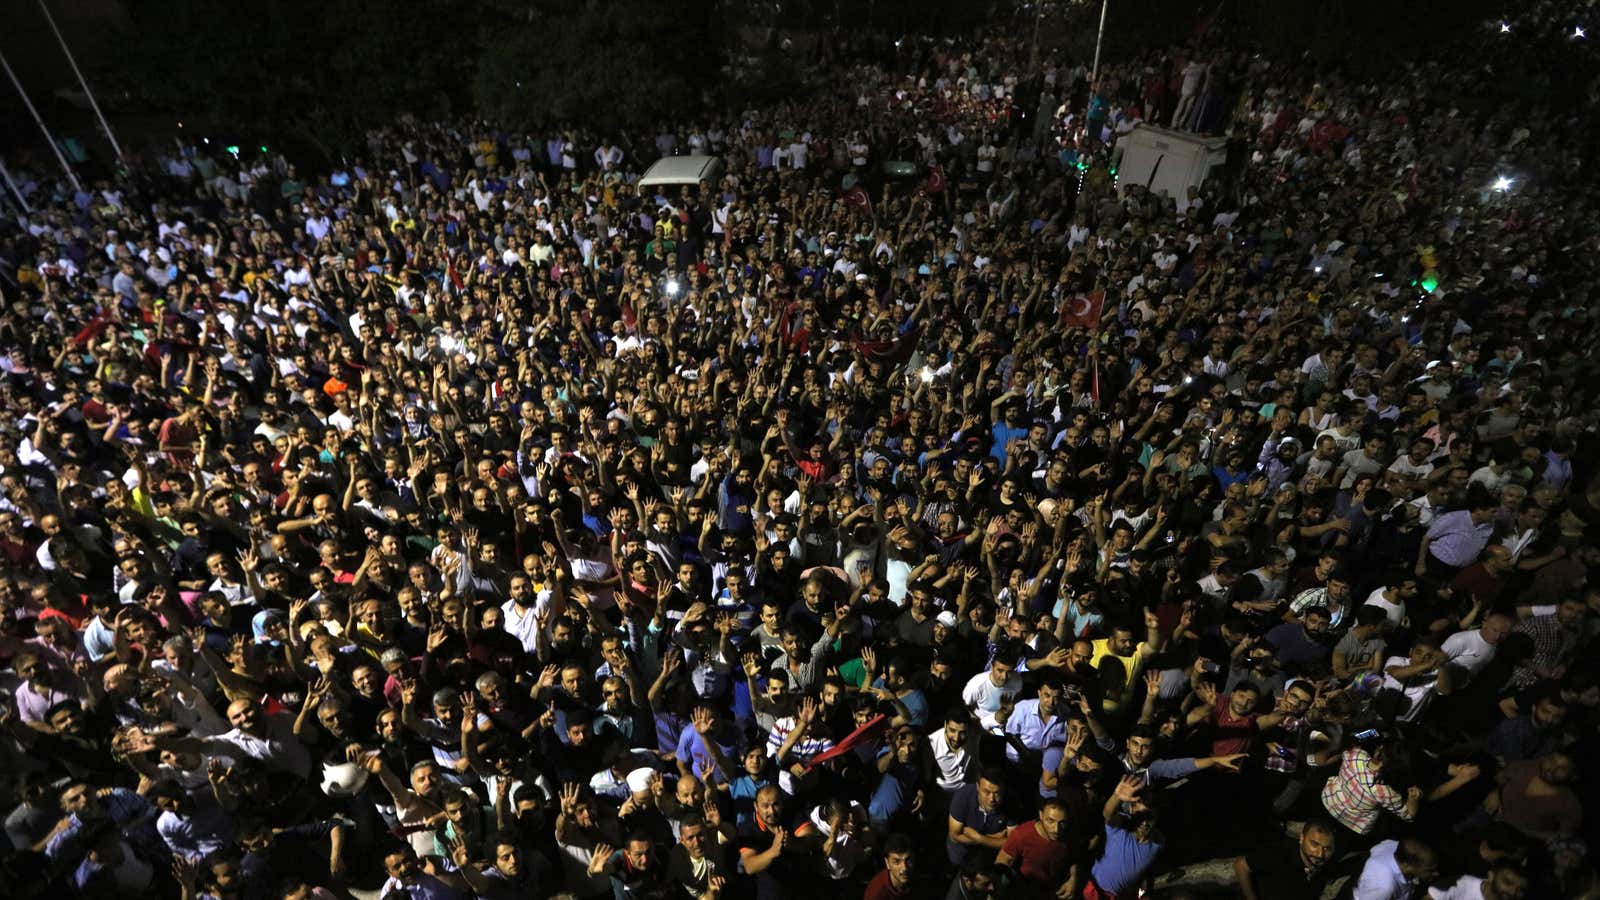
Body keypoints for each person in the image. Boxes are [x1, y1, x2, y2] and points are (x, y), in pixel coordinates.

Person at [1232, 817, 1338, 900]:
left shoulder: (1329, 866)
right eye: (1314, 844)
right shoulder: (1278, 853)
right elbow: (1240, 865)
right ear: (1302, 838)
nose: (1320, 854)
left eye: (1327, 848)